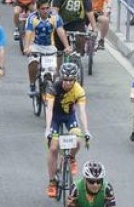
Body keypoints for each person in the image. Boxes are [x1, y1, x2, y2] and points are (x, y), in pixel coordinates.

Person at [44, 63, 91, 198]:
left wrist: (86, 130)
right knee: (53, 148)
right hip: (55, 118)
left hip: (69, 117)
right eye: (65, 79)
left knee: (77, 142)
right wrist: (48, 129)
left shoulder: (79, 90)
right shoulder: (53, 89)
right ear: (61, 77)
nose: (68, 82)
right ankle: (52, 182)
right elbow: (49, 110)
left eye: (71, 80)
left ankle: (71, 158)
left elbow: (82, 112)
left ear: (75, 79)